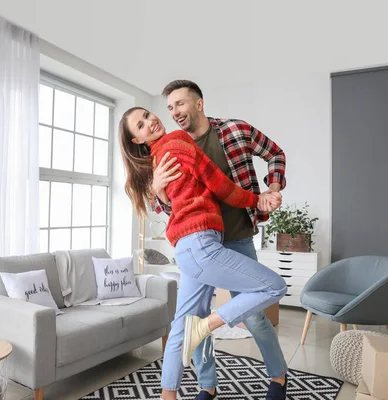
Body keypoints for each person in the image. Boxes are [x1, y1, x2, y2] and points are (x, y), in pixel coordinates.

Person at [118, 106, 288, 400]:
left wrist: (267, 192)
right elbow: (219, 186)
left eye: (179, 104)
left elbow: (275, 154)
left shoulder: (233, 131)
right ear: (137, 140)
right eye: (142, 124)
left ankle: (168, 395)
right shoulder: (175, 143)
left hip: (218, 239)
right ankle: (206, 376)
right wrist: (256, 200)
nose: (167, 113)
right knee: (272, 287)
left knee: (188, 324)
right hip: (202, 241)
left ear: (197, 103)